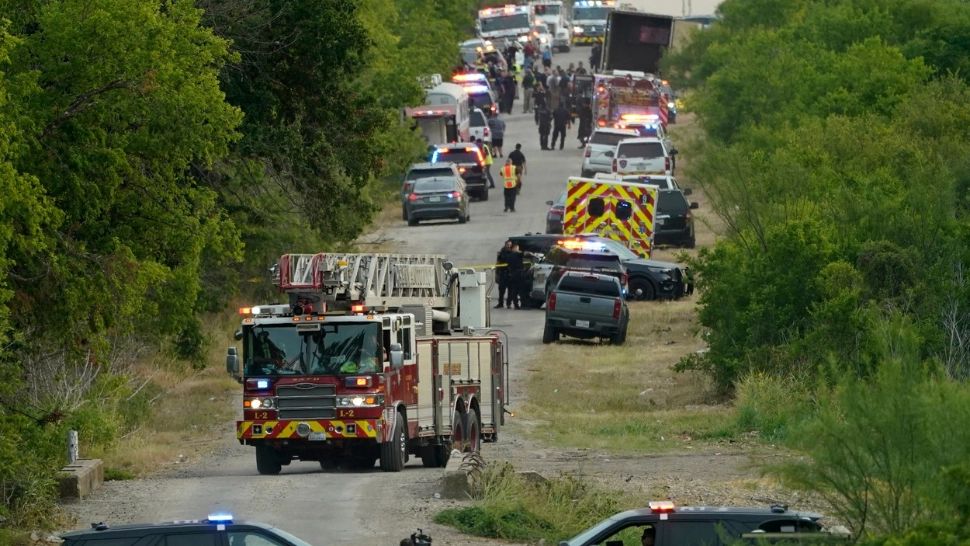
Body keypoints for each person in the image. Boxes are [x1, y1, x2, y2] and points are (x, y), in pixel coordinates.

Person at [495, 240, 514, 308]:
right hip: (503, 273)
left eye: (510, 245)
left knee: (510, 290)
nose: (509, 246)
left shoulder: (512, 252)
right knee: (501, 290)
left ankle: (508, 304)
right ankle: (500, 303)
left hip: (510, 274)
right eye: (508, 244)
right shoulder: (502, 252)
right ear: (505, 245)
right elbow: (498, 262)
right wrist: (497, 273)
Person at [505, 243, 525, 309]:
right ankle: (523, 304)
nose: (518, 249)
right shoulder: (518, 254)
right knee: (521, 290)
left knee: (514, 291)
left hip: (512, 274)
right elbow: (525, 254)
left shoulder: (509, 256)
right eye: (517, 248)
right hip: (519, 274)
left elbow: (508, 264)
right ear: (514, 248)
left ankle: (515, 304)